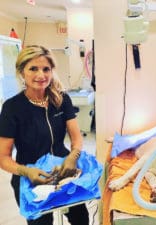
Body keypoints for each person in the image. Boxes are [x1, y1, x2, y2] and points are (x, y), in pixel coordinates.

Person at [0, 45, 89, 225]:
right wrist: (25, 171)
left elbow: (77, 137)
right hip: (30, 175)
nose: (41, 75)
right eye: (33, 68)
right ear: (21, 72)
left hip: (64, 168)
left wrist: (73, 156)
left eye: (46, 69)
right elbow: (3, 157)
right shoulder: (12, 108)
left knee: (81, 218)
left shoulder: (61, 99)